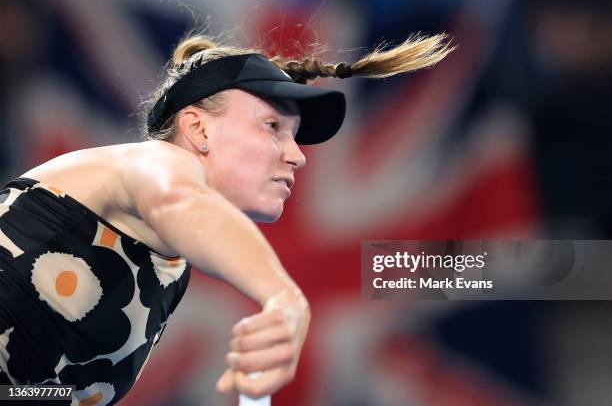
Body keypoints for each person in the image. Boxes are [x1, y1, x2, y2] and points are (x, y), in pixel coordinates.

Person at [0, 30, 453, 404]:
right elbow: (179, 199)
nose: (297, 156)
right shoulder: (155, 163)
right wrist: (283, 299)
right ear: (197, 129)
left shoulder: (168, 273)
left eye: (295, 137)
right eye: (273, 127)